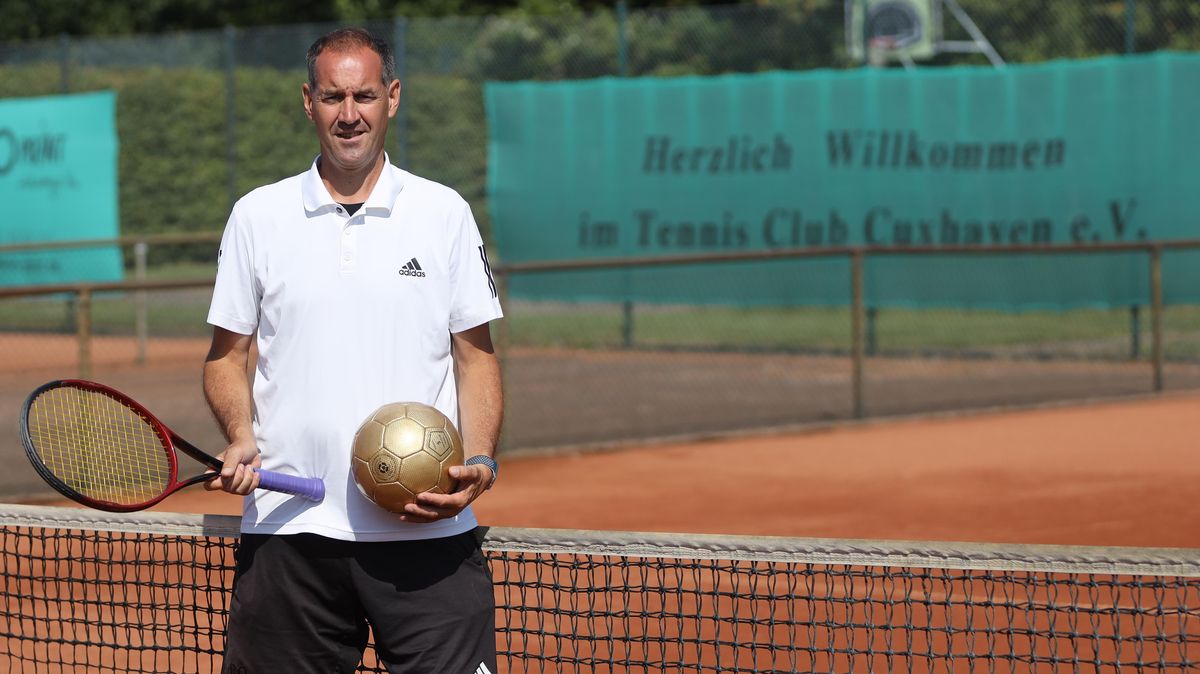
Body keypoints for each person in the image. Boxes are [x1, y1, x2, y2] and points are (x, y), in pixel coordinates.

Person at [202, 26, 503, 674]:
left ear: (392, 97)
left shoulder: (443, 212)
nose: (349, 115)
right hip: (290, 533)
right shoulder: (257, 215)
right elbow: (226, 357)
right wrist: (240, 433)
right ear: (307, 101)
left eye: (363, 96)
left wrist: (480, 459)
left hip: (427, 531)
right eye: (333, 97)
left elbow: (477, 357)